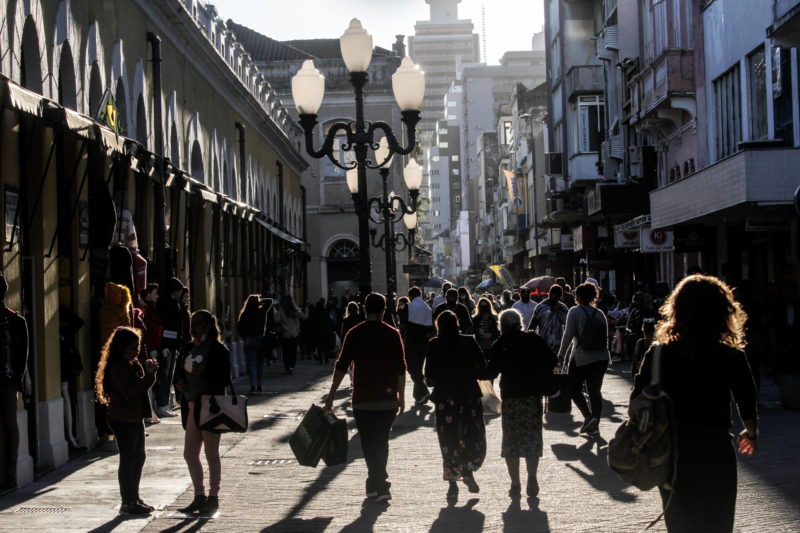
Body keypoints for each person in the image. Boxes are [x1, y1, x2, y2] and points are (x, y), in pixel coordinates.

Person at [632, 275, 758, 533]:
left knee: (680, 525)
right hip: (715, 451)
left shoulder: (658, 353)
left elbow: (636, 401)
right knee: (718, 523)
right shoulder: (730, 354)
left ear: (676, 309)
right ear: (723, 310)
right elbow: (747, 396)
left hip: (671, 455)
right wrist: (751, 432)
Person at [324, 293, 406, 502]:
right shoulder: (392, 334)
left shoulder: (354, 333)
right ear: (383, 311)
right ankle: (379, 483)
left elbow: (341, 365)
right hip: (387, 398)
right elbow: (400, 368)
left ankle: (376, 482)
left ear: (363, 310)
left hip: (363, 398)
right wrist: (402, 397)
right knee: (382, 441)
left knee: (369, 442)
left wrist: (331, 395)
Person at [484, 309, 556, 498]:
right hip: (532, 396)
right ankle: (532, 476)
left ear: (502, 326)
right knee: (532, 437)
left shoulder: (500, 344)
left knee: (511, 440)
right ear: (520, 323)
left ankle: (515, 482)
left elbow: (490, 373)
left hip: (511, 397)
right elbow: (552, 359)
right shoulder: (533, 340)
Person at [173, 310, 232, 515]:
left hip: (210, 406)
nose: (193, 327)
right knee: (189, 454)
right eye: (192, 323)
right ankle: (199, 495)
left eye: (197, 323)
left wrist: (204, 372)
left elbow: (224, 379)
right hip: (190, 407)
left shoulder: (218, 350)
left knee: (211, 453)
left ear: (208, 325)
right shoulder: (188, 347)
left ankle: (213, 497)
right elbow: (178, 372)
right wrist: (179, 383)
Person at [95, 327, 158, 515]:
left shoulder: (130, 363)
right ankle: (128, 501)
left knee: (139, 457)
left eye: (137, 346)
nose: (136, 351)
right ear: (121, 348)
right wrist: (149, 376)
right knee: (129, 459)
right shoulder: (117, 367)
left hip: (134, 417)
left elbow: (140, 384)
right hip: (122, 418)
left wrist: (145, 371)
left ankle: (134, 497)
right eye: (132, 348)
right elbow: (130, 391)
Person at [424, 311, 487, 499]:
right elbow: (482, 366)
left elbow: (430, 376)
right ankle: (468, 470)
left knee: (448, 438)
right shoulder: (469, 341)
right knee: (471, 434)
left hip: (445, 399)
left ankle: (452, 482)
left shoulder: (434, 344)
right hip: (468, 396)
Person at [556, 282, 610, 435]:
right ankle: (595, 424)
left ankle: (588, 416)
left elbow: (568, 335)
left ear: (578, 297)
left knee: (573, 389)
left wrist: (561, 355)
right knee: (595, 391)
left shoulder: (574, 311)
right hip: (601, 358)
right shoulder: (600, 314)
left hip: (581, 357)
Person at [0, 272, 28, 495]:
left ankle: (9, 477)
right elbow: (22, 358)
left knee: (10, 426)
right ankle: (10, 477)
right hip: (9, 381)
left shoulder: (16, 321)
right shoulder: (16, 321)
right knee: (10, 426)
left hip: (8, 381)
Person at [155, 277, 185, 417]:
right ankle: (162, 403)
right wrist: (164, 345)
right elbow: (166, 325)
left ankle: (165, 403)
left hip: (172, 344)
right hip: (168, 344)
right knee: (165, 374)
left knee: (169, 375)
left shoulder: (174, 303)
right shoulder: (167, 303)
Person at [406, 287, 434, 405]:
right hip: (423, 342)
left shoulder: (408, 307)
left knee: (412, 368)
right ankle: (418, 396)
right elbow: (431, 327)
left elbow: (402, 324)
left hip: (411, 341)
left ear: (411, 296)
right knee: (418, 367)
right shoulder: (427, 308)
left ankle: (423, 391)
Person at [237, 295, 269, 393]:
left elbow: (239, 327)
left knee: (251, 365)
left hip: (249, 340)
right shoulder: (261, 312)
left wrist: (244, 336)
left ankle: (253, 386)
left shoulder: (244, 314)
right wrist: (259, 302)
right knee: (260, 364)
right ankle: (259, 385)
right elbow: (270, 301)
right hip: (260, 339)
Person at [529, 284, 569, 354]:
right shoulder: (540, 307)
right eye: (553, 295)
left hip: (558, 345)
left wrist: (558, 311)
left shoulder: (563, 308)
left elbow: (567, 323)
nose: (555, 297)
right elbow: (533, 325)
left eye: (558, 296)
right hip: (543, 344)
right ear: (549, 294)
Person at [278, 295, 308, 375]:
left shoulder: (281, 310)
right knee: (293, 351)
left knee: (286, 351)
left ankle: (287, 366)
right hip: (294, 334)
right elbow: (304, 317)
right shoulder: (294, 310)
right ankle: (291, 366)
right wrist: (307, 308)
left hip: (285, 334)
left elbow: (276, 319)